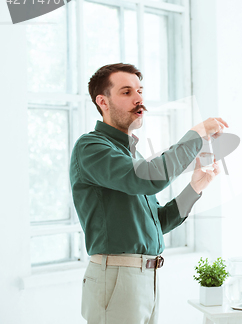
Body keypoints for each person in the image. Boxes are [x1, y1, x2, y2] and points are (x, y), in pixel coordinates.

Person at [69, 63, 228, 324]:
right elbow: (149, 178)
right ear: (103, 101)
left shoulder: (132, 156)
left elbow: (158, 222)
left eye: (140, 91)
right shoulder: (91, 147)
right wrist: (196, 134)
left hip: (146, 279)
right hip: (118, 277)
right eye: (126, 92)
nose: (139, 99)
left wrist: (195, 187)